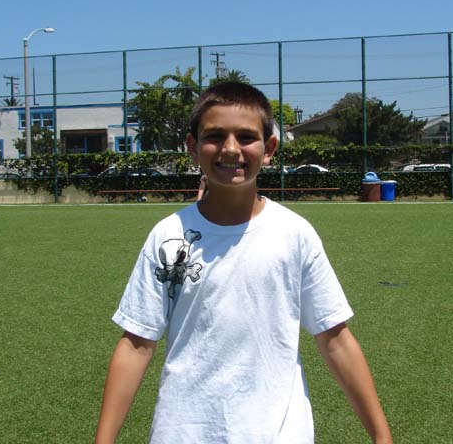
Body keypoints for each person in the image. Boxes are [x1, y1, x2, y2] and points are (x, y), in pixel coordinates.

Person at [95, 82, 392, 444]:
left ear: (269, 149)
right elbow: (136, 343)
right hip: (185, 432)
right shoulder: (168, 235)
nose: (231, 148)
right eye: (215, 136)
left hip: (279, 434)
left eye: (246, 137)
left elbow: (336, 339)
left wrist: (382, 436)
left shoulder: (294, 234)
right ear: (192, 147)